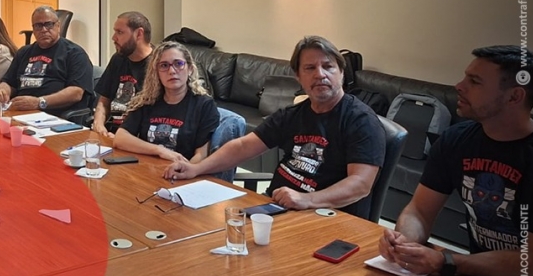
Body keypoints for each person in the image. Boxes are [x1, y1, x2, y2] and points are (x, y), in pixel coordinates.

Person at [379, 46, 533, 276]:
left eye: (474, 81)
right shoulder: (456, 140)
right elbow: (420, 210)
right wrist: (404, 241)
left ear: (514, 96)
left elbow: (531, 261)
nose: (459, 86)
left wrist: (448, 262)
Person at [164, 35, 386, 220]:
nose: (320, 74)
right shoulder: (293, 115)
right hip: (275, 208)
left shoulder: (361, 120)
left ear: (342, 73)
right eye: (310, 68)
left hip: (323, 217)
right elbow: (243, 147)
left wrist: (307, 199)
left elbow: (360, 184)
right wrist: (196, 169)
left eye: (328, 67)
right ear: (299, 77)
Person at [113, 42, 219, 162]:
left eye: (178, 64)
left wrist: (184, 169)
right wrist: (159, 150)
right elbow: (120, 138)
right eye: (164, 65)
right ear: (156, 73)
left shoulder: (204, 105)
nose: (172, 71)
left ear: (190, 69)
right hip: (145, 169)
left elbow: (201, 156)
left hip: (183, 170)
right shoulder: (147, 101)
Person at [0, 6, 94, 113]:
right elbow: (8, 82)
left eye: (49, 24)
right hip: (21, 110)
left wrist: (39, 102)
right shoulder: (23, 52)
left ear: (58, 26)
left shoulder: (75, 53)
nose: (44, 30)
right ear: (33, 29)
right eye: (38, 26)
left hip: (53, 114)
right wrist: (2, 90)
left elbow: (76, 92)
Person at [94, 11, 154, 137]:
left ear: (139, 34)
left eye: (120, 32)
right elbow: (103, 101)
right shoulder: (118, 59)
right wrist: (98, 124)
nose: (113, 38)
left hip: (135, 138)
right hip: (110, 133)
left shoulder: (159, 64)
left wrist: (123, 139)